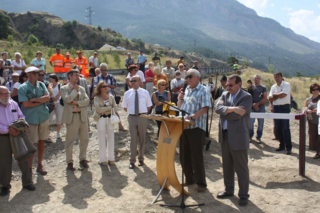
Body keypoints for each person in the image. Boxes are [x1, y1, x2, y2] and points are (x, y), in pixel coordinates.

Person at [215, 74, 252, 206]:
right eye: (227, 84)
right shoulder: (225, 95)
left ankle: (243, 195)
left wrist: (225, 113)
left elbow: (237, 117)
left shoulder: (246, 97)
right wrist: (232, 109)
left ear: (239, 84)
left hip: (238, 137)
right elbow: (217, 109)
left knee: (241, 167)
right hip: (225, 136)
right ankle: (228, 190)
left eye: (230, 85)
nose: (227, 87)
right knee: (227, 165)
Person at [177, 69, 211, 193]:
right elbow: (180, 108)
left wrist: (191, 117)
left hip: (196, 128)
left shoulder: (203, 90)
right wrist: (180, 99)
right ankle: (189, 179)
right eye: (186, 77)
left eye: (190, 76)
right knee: (184, 157)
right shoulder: (186, 89)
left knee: (196, 157)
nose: (188, 79)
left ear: (198, 77)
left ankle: (201, 183)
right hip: (184, 127)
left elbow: (205, 108)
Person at [0, 86, 35, 196]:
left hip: (17, 134)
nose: (7, 95)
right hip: (3, 137)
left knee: (23, 158)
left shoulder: (13, 104)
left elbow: (21, 116)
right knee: (5, 162)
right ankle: (5, 185)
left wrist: (17, 128)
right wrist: (8, 130)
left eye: (8, 93)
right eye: (4, 93)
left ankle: (27, 182)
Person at [18, 67, 50, 175]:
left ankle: (39, 164)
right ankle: (29, 167)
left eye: (39, 73)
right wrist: (41, 101)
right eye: (35, 73)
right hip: (31, 119)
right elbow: (26, 104)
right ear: (29, 74)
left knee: (42, 140)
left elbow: (48, 98)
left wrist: (35, 100)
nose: (38, 75)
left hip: (43, 117)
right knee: (32, 143)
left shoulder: (41, 85)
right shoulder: (22, 88)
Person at [60, 69, 90, 171]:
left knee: (84, 139)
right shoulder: (64, 88)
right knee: (70, 141)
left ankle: (82, 159)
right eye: (76, 75)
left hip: (82, 116)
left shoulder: (82, 88)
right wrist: (75, 91)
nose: (78, 77)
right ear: (70, 76)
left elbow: (87, 101)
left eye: (78, 75)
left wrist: (77, 103)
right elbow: (67, 99)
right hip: (71, 117)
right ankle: (69, 161)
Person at [122, 75, 152, 169]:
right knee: (133, 139)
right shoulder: (127, 93)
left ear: (139, 82)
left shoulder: (145, 92)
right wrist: (133, 113)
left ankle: (141, 158)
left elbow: (148, 106)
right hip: (132, 118)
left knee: (142, 138)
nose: (133, 82)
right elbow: (125, 107)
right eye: (131, 80)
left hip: (142, 117)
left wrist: (141, 113)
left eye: (135, 80)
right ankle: (132, 160)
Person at [93, 63, 125, 131]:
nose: (104, 71)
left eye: (105, 70)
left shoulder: (111, 77)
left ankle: (120, 125)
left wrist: (107, 86)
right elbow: (95, 88)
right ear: (100, 70)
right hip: (101, 97)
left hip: (110, 97)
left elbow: (115, 86)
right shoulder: (97, 78)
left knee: (114, 111)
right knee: (101, 111)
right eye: (102, 70)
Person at [269, 72, 292, 154]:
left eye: (278, 76)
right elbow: (270, 99)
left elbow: (284, 95)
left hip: (284, 107)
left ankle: (289, 147)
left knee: (286, 128)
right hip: (276, 108)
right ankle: (282, 145)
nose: (277, 78)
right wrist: (278, 95)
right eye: (275, 77)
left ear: (282, 77)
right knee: (278, 127)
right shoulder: (273, 87)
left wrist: (275, 95)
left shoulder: (287, 85)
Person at [94, 81, 116, 166]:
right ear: (100, 88)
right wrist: (109, 108)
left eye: (106, 86)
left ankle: (111, 158)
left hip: (110, 118)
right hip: (101, 119)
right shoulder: (97, 98)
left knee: (111, 138)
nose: (106, 87)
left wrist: (106, 108)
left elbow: (115, 108)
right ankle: (102, 159)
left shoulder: (111, 97)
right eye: (103, 86)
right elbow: (98, 109)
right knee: (101, 139)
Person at [249, 74, 267, 143]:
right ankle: (250, 135)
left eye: (257, 78)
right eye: (255, 78)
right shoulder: (250, 87)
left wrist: (257, 104)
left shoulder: (263, 88)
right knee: (250, 122)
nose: (256, 79)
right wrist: (253, 105)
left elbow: (265, 98)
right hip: (252, 107)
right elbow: (248, 97)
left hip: (261, 106)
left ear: (260, 79)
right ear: (253, 79)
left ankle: (258, 137)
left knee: (261, 122)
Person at [305, 83, 320, 159]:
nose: (316, 91)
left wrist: (318, 109)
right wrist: (308, 110)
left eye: (317, 89)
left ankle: (318, 153)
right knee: (313, 136)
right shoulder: (308, 99)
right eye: (314, 89)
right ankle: (316, 152)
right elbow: (304, 108)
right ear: (311, 90)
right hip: (312, 121)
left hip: (319, 120)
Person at [48, 74, 63, 139]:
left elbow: (61, 92)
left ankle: (58, 133)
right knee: (49, 118)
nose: (49, 79)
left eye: (50, 78)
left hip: (58, 103)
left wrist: (56, 97)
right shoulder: (50, 86)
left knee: (59, 118)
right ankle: (47, 133)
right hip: (51, 103)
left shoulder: (59, 85)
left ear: (54, 78)